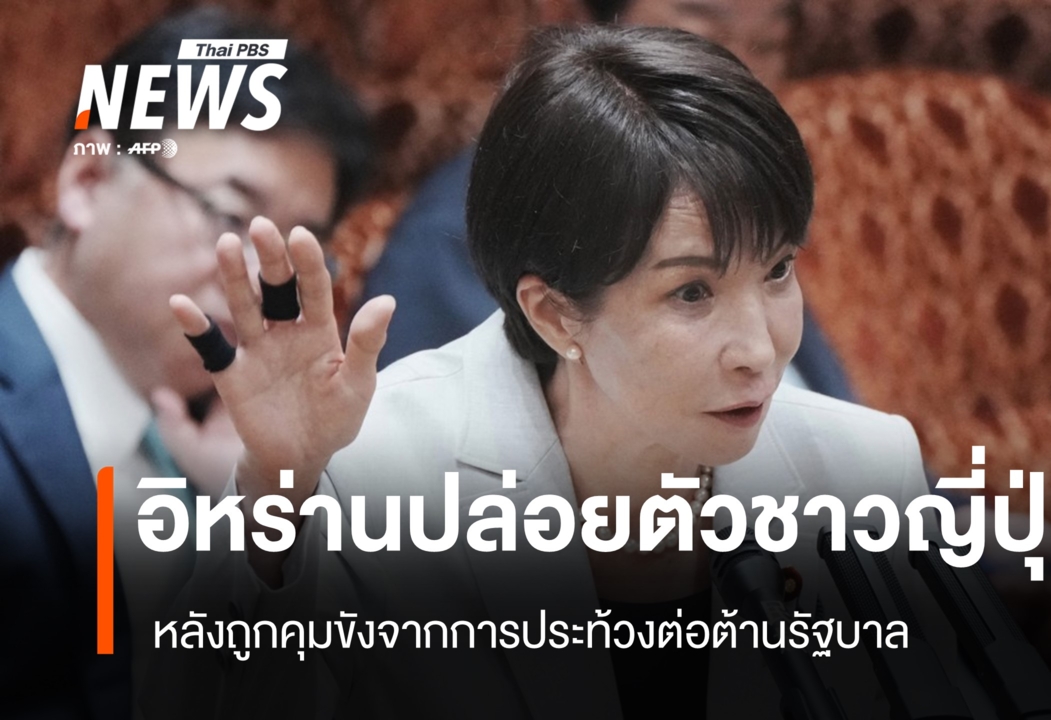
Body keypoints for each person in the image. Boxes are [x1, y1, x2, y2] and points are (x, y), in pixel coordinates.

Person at [154, 25, 955, 719]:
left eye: (777, 270)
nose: (759, 347)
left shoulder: (864, 470)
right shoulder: (372, 468)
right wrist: (277, 495)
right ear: (554, 314)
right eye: (692, 292)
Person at [0, 8, 370, 718]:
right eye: (230, 217)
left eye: (296, 250)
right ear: (88, 180)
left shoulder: (241, 455)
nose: (264, 280)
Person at [361, 0, 855, 402]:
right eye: (704, 31)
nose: (739, 69)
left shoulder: (743, 193)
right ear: (598, 28)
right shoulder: (460, 231)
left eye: (768, 44)